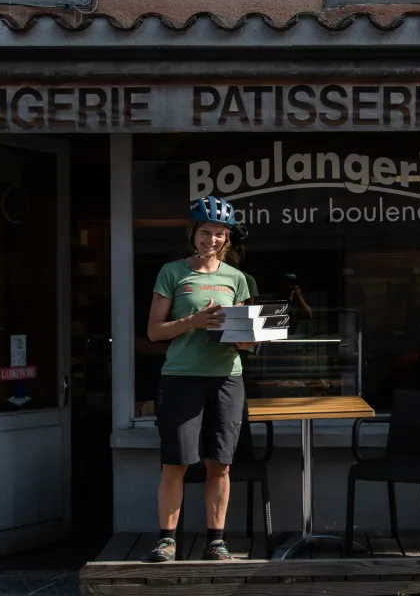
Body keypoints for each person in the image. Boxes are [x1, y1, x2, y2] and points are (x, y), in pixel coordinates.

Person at [146, 195, 252, 563]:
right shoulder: (172, 272)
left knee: (220, 463)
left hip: (226, 377)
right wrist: (192, 322)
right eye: (205, 232)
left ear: (227, 239)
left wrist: (246, 334)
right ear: (193, 233)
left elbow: (246, 339)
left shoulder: (237, 278)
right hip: (181, 377)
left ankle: (216, 540)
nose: (212, 240)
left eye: (220, 234)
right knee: (176, 462)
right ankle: (166, 540)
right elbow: (154, 332)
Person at [224, 222, 259, 304]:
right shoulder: (223, 247)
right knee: (250, 280)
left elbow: (239, 263)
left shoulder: (240, 249)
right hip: (223, 270)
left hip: (235, 271)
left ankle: (250, 307)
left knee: (250, 280)